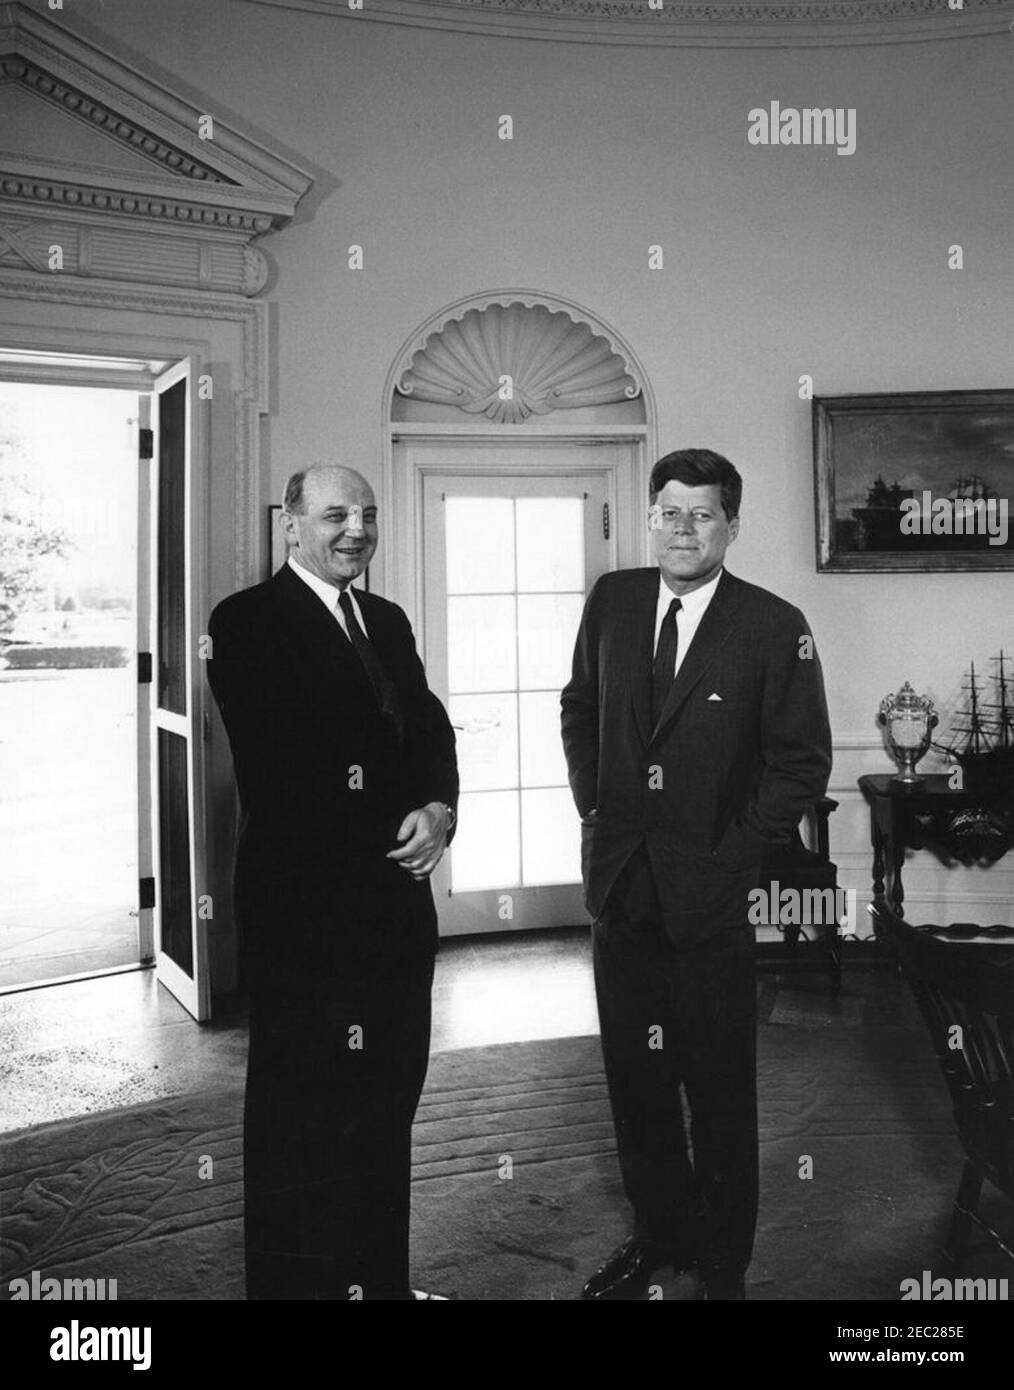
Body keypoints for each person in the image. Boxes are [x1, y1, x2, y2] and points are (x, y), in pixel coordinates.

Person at [561, 448, 832, 1300]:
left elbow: (800, 765)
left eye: (702, 514)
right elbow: (578, 707)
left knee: (716, 1091)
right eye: (669, 512)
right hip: (620, 890)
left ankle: (723, 1264)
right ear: (651, 518)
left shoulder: (770, 624)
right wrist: (596, 808)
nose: (683, 529)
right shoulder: (612, 600)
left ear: (732, 526)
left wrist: (729, 859)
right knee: (636, 1085)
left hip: (709, 899)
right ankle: (661, 1236)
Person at [207, 464, 458, 1301]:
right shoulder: (246, 623)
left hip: (394, 910)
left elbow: (428, 726)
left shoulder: (384, 619)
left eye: (369, 514)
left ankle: (379, 1285)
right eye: (335, 514)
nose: (356, 529)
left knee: (387, 1100)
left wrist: (437, 806)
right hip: (305, 916)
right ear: (290, 524)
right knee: (301, 1115)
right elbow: (281, 770)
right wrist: (388, 824)